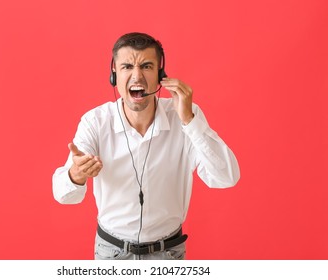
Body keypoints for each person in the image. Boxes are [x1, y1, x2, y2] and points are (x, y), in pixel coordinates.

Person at [52, 32, 240, 260]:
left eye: (147, 66)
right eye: (127, 66)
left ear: (161, 74)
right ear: (114, 73)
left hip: (168, 254)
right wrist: (76, 174)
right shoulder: (96, 121)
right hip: (112, 254)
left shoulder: (184, 116)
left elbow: (226, 177)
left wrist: (190, 121)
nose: (137, 76)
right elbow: (63, 195)